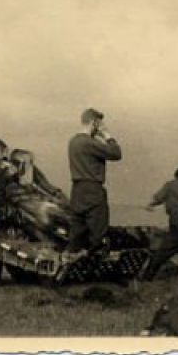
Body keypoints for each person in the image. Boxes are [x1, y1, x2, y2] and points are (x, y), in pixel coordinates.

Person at [64, 108, 122, 260]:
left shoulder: (73, 142)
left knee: (77, 231)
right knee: (98, 232)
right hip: (93, 189)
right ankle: (95, 261)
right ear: (95, 122)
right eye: (99, 123)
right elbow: (116, 153)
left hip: (77, 190)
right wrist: (107, 135)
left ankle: (70, 262)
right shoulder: (89, 143)